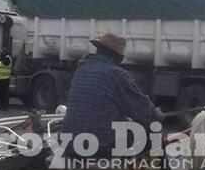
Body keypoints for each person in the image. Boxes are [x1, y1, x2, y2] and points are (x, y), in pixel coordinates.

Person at [61, 33, 161, 161]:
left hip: (69, 145)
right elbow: (142, 110)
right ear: (118, 57)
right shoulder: (117, 74)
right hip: (99, 148)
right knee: (153, 128)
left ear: (98, 50)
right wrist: (155, 114)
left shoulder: (81, 70)